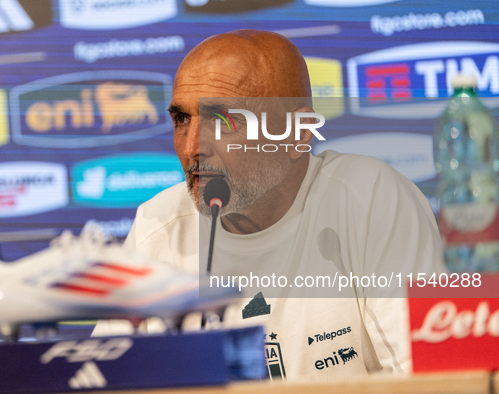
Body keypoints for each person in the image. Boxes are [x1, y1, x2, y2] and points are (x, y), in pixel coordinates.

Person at [93, 29, 444, 381]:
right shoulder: (158, 225)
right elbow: (108, 381)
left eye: (222, 120)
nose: (191, 148)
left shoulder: (372, 199)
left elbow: (436, 380)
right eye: (182, 120)